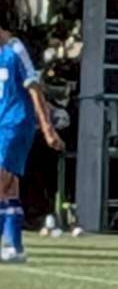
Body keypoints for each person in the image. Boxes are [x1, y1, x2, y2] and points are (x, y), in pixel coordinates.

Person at [0, 24, 65, 264]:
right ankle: (15, 248)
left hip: (16, 124)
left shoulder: (16, 49)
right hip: (2, 124)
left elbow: (34, 88)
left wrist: (47, 128)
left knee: (1, 182)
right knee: (9, 189)